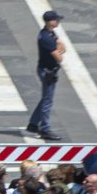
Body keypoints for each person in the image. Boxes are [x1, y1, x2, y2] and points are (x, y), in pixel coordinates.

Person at [28, 9, 65, 141]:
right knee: (47, 101)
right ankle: (45, 128)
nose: (58, 21)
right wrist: (59, 52)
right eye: (57, 19)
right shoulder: (46, 38)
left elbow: (62, 46)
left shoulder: (49, 33)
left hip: (48, 69)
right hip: (47, 71)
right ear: (51, 21)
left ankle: (33, 124)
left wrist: (59, 49)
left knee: (46, 98)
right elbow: (59, 57)